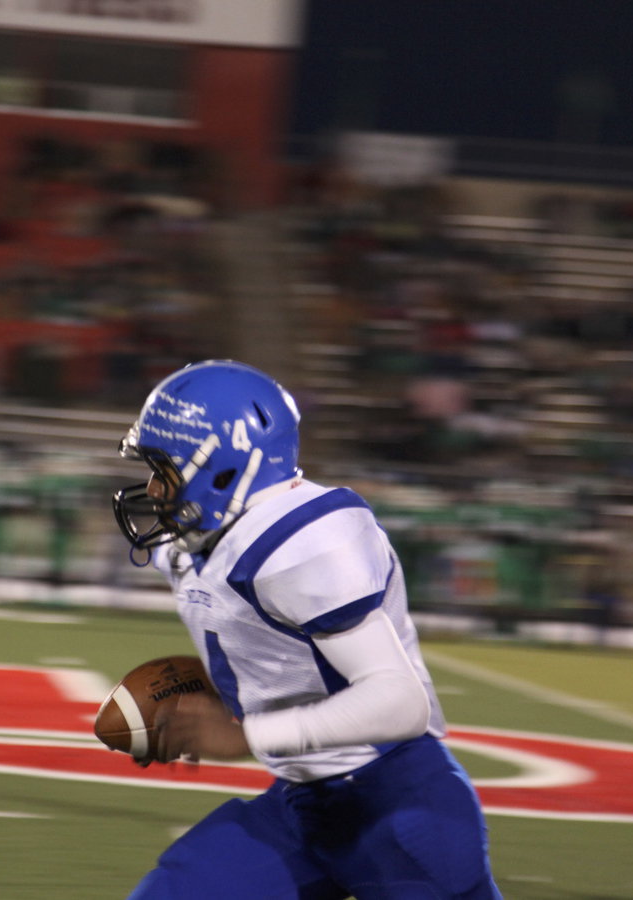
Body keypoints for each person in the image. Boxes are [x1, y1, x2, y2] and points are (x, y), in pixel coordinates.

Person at [112, 359, 500, 899]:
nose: (153, 489)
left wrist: (245, 733)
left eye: (165, 469)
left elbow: (400, 703)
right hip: (302, 806)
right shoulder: (198, 541)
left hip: (401, 808)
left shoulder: (302, 541)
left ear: (224, 470)